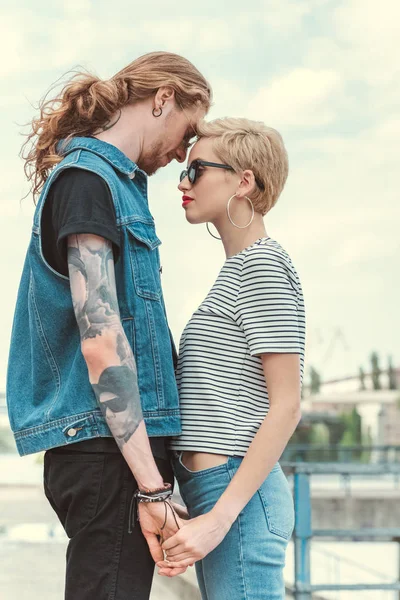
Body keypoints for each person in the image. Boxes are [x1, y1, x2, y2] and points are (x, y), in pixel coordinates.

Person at [7, 51, 211, 600]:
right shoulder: (87, 183)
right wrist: (150, 487)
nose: (183, 154)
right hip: (109, 456)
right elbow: (101, 341)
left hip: (115, 452)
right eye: (187, 131)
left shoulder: (111, 186)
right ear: (162, 98)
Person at [157, 118, 306, 599]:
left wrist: (218, 520)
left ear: (244, 181)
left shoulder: (262, 266)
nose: (182, 181)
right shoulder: (238, 270)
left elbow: (287, 406)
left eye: (196, 169)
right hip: (214, 493)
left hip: (235, 501)